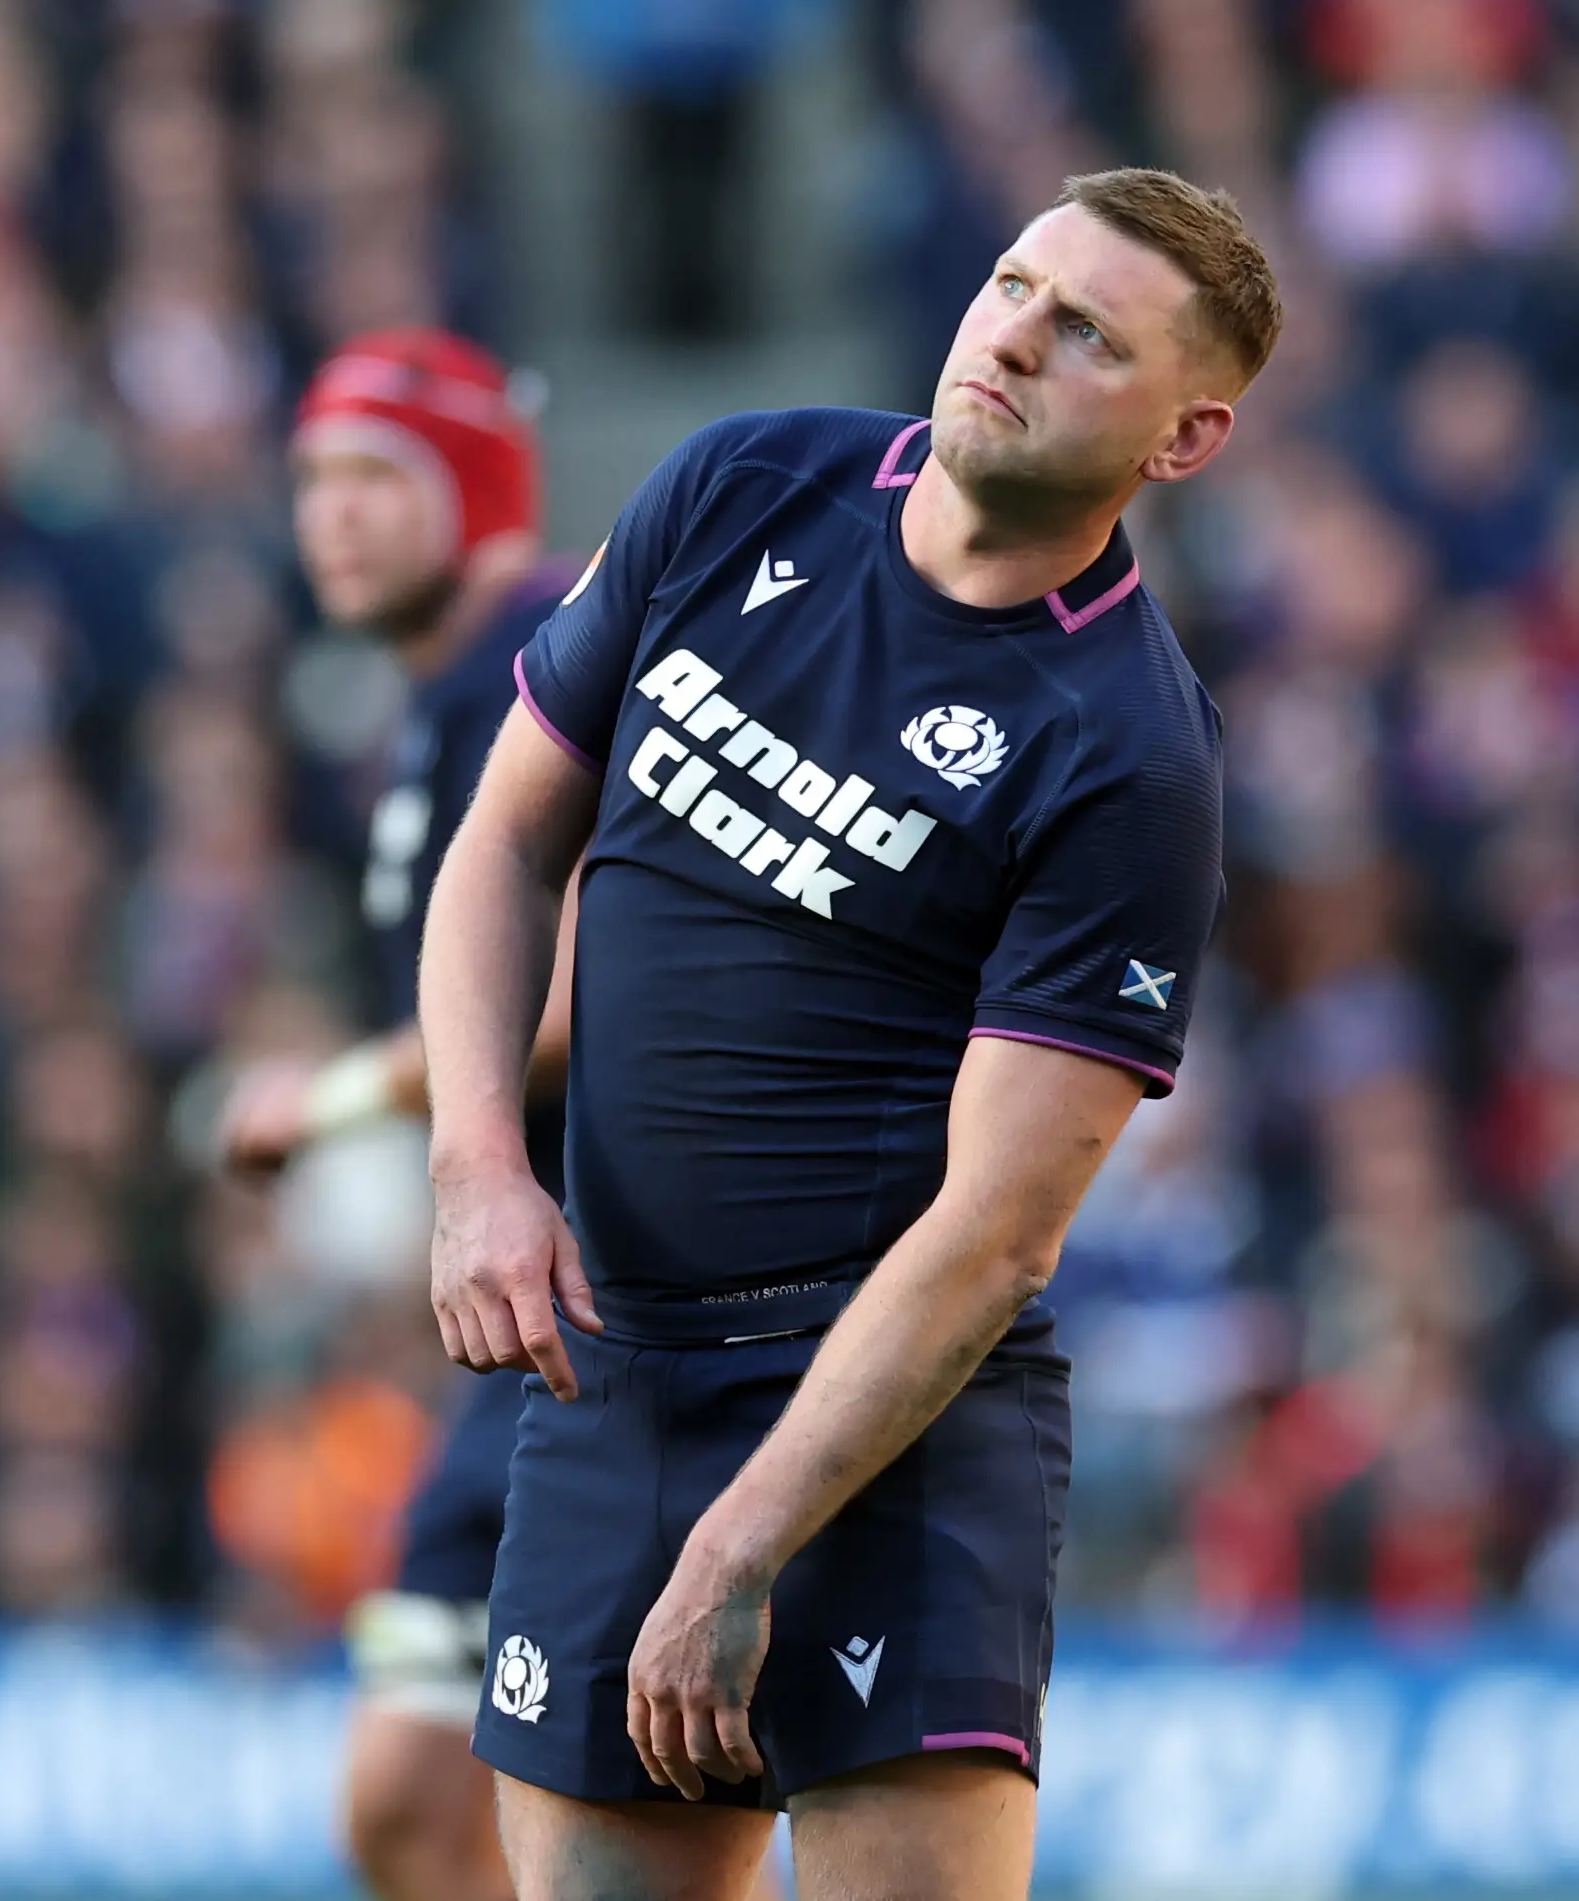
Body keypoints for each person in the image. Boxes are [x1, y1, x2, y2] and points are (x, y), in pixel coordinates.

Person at [414, 168, 1281, 1901]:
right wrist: (478, 1164)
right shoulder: (748, 482)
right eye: (1016, 287)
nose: (1016, 340)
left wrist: (743, 1545)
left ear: (1180, 441)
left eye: (1088, 335)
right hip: (617, 1370)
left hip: (893, 1424)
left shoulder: (1131, 757)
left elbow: (997, 1231)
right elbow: (507, 840)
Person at [215, 328, 574, 1901]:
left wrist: (338, 1092)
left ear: (480, 489)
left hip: (637, 1317)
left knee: (587, 1829)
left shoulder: (553, 657)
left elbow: (580, 998)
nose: (332, 515)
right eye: (311, 479)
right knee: (413, 1800)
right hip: (530, 1342)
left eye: (376, 476)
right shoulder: (432, 706)